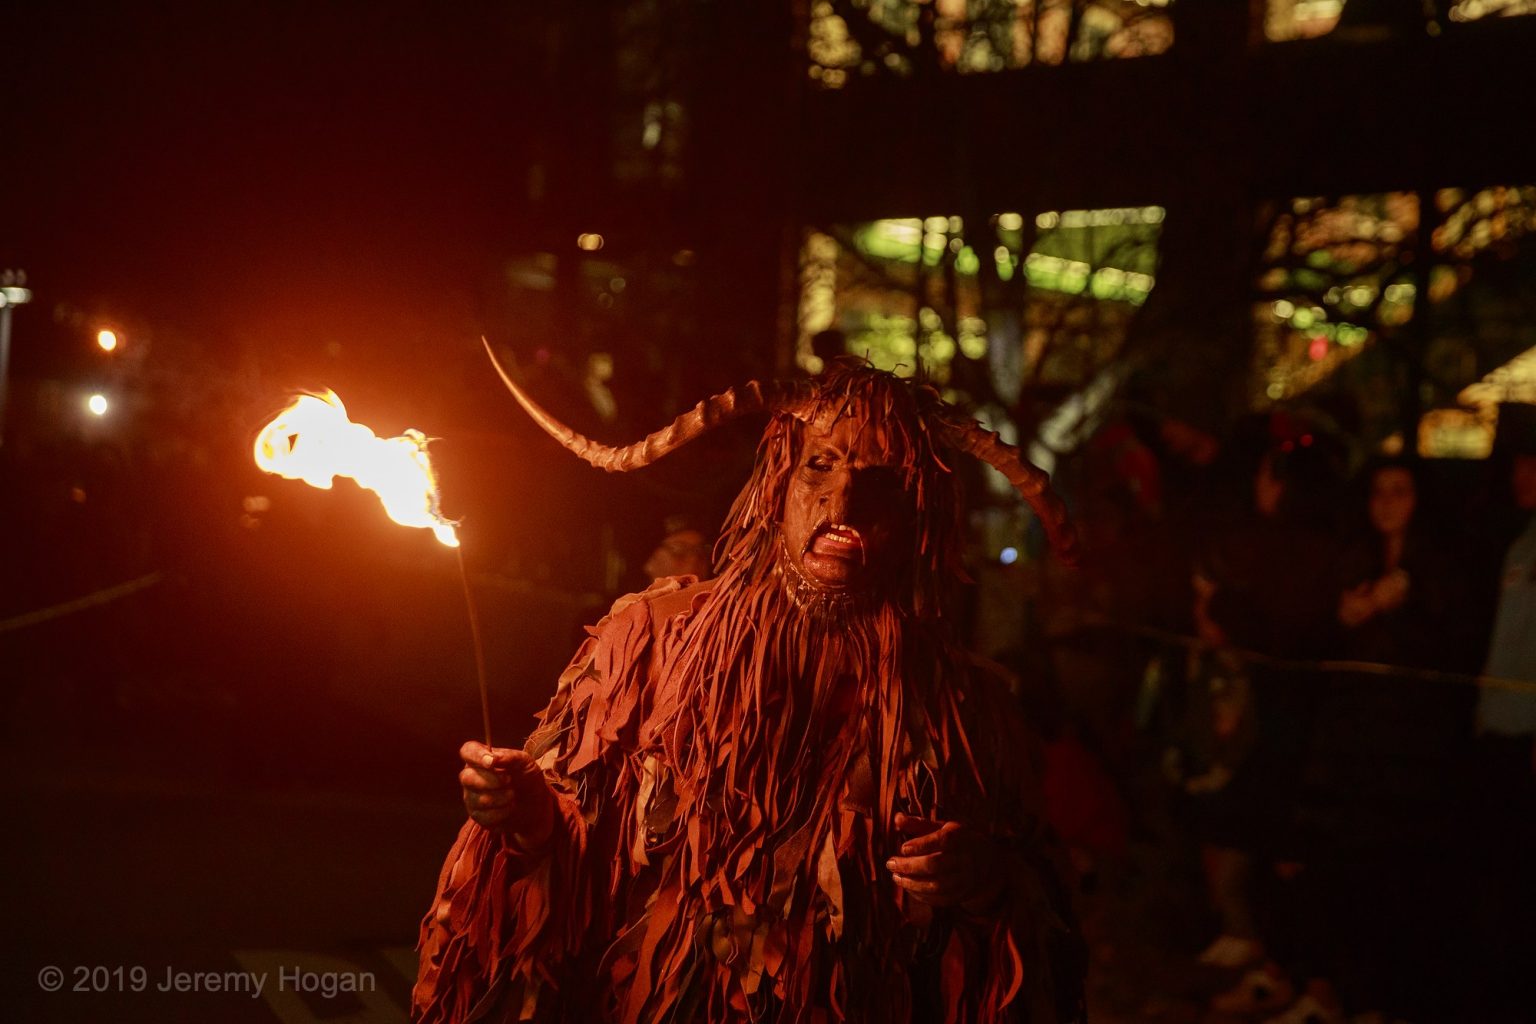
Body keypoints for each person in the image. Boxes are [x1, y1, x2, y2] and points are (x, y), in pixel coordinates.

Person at [413, 357, 1086, 1024]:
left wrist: (989, 880)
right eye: (820, 466)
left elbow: (1043, 910)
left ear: (917, 517)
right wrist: (525, 809)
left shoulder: (968, 709)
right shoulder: (647, 639)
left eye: (878, 480)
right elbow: (574, 853)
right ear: (778, 484)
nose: (843, 501)